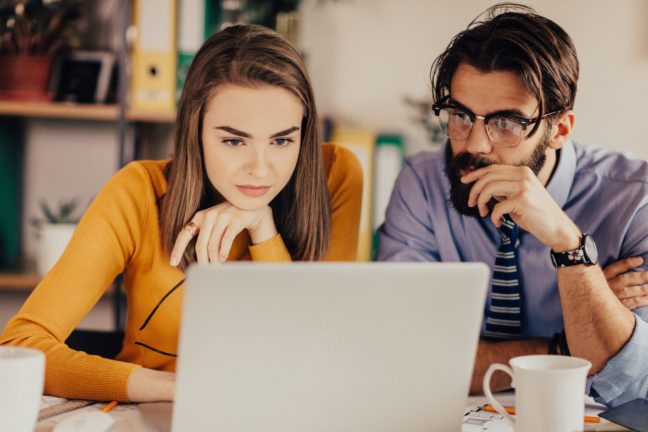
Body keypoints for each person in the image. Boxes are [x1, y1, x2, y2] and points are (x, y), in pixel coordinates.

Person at [0, 25, 362, 403]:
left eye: (282, 140)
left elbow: (319, 353)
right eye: (234, 141)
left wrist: (262, 227)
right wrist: (177, 388)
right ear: (196, 131)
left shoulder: (335, 174)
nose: (260, 169)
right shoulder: (138, 193)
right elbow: (22, 344)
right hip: (157, 413)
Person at [378, 4, 648, 407]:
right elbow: (407, 356)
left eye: (507, 123)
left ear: (559, 129)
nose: (474, 144)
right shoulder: (421, 184)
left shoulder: (634, 199)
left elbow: (632, 384)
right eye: (460, 115)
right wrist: (564, 348)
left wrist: (569, 244)